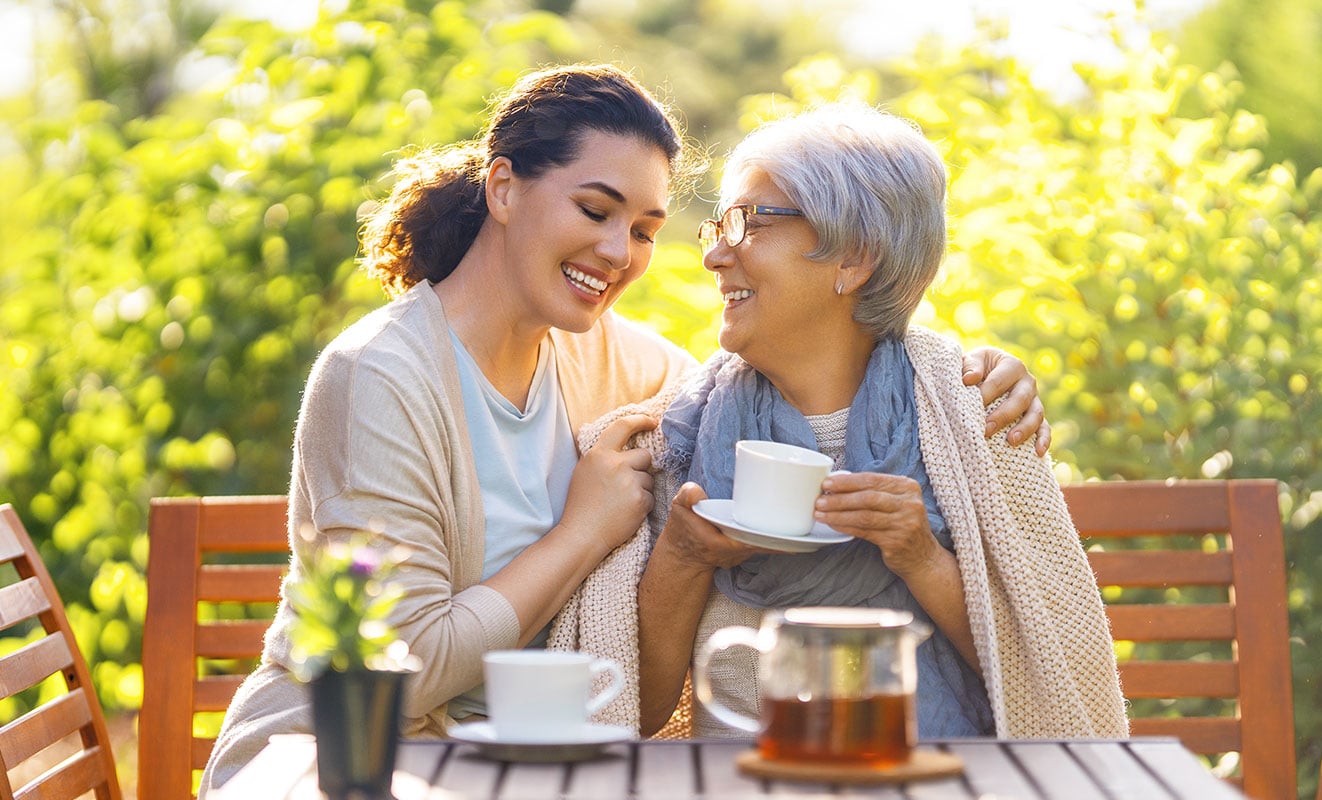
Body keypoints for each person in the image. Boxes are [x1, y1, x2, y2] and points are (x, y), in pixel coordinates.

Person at [202, 65, 1047, 790]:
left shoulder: (612, 358)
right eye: (596, 210)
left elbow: (795, 359)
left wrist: (976, 369)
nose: (619, 252)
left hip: (521, 760)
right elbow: (405, 672)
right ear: (503, 188)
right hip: (341, 758)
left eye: (644, 229)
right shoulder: (378, 377)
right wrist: (581, 531)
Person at [549, 103, 1128, 741]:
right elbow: (633, 711)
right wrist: (683, 557)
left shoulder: (975, 417)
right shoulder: (675, 441)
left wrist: (920, 557)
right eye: (719, 225)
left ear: (854, 258)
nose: (714, 255)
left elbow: (1051, 675)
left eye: (750, 224)